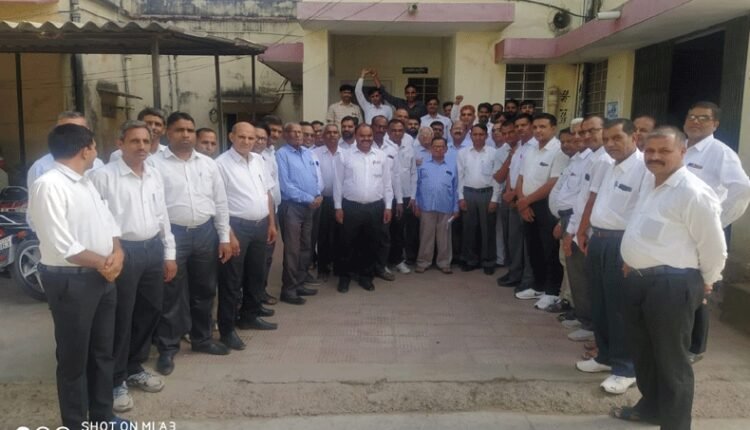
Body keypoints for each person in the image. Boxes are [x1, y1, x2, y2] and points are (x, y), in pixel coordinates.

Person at [614, 126, 727, 430]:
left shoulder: (693, 192)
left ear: (682, 152)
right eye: (650, 151)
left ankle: (676, 424)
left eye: (664, 151)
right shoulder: (651, 183)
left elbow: (714, 247)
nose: (655, 156)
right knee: (645, 354)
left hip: (672, 286)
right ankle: (652, 408)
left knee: (671, 360)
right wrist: (632, 260)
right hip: (639, 281)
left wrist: (707, 281)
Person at [29, 124, 127, 429]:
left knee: (102, 352)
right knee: (74, 358)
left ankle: (102, 416)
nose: (96, 152)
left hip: (102, 276)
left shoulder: (86, 183)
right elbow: (63, 244)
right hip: (71, 281)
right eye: (95, 147)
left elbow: (109, 224)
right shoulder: (49, 185)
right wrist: (105, 263)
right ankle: (74, 422)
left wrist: (118, 252)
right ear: (86, 150)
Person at [89, 120, 177, 413]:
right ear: (120, 144)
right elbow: (95, 219)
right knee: (121, 317)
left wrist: (169, 253)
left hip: (152, 248)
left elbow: (162, 215)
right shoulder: (103, 176)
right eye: (134, 141)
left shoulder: (153, 174)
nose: (141, 146)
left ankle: (134, 366)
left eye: (146, 141)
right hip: (122, 252)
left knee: (149, 311)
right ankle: (115, 380)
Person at [151, 112, 232, 376]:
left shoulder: (208, 165)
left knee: (205, 289)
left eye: (189, 130)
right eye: (179, 130)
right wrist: (166, 242)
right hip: (173, 233)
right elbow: (155, 206)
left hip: (205, 232)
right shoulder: (154, 164)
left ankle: (202, 339)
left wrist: (223, 237)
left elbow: (220, 202)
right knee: (171, 293)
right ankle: (168, 348)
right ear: (168, 133)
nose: (185, 135)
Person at [574, 119, 648, 395]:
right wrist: (586, 232)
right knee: (600, 303)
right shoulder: (610, 166)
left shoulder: (643, 169)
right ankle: (604, 356)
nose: (610, 144)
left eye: (617, 138)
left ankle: (626, 368)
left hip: (622, 243)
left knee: (620, 308)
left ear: (634, 137)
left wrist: (634, 251)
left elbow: (644, 213)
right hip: (599, 240)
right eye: (606, 139)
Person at [682, 101, 750, 363]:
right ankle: (681, 339)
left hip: (701, 233)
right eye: (692, 116)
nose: (695, 121)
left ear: (715, 124)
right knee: (683, 285)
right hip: (680, 230)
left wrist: (717, 220)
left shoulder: (720, 152)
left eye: (703, 118)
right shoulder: (681, 147)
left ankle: (695, 347)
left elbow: (742, 188)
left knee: (700, 287)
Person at [216, 122, 278, 349]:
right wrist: (228, 235)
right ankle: (227, 329)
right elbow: (219, 203)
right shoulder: (220, 164)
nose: (247, 141)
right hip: (237, 227)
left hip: (260, 225)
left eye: (251, 138)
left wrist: (271, 223)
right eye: (241, 137)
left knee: (256, 274)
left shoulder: (258, 160)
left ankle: (249, 316)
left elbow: (267, 193)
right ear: (231, 136)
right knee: (231, 280)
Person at [563, 115, 613, 343]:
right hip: (579, 225)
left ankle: (591, 324)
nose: (586, 136)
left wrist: (579, 231)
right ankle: (585, 318)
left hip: (590, 230)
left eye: (593, 131)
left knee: (589, 280)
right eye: (583, 132)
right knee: (579, 276)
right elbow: (582, 198)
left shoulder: (604, 160)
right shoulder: (592, 158)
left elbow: (592, 200)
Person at [514, 113, 569, 306]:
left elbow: (553, 182)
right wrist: (522, 202)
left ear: (553, 128)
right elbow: (521, 177)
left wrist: (526, 201)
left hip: (546, 205)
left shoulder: (559, 151)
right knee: (533, 247)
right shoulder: (530, 150)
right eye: (535, 127)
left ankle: (552, 291)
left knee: (549, 249)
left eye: (543, 127)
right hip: (527, 204)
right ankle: (538, 286)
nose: (538, 130)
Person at [333, 124, 393, 292]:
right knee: (346, 243)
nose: (366, 139)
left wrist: (388, 207)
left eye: (369, 136)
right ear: (356, 136)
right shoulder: (345, 156)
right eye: (362, 136)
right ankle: (344, 278)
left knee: (371, 243)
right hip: (351, 207)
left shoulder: (381, 156)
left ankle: (366, 277)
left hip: (375, 207)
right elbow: (338, 183)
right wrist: (338, 207)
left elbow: (387, 183)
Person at [276, 122, 323, 305]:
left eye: (300, 132)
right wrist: (309, 198)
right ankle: (288, 290)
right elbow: (285, 185)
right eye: (293, 132)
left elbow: (315, 177)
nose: (298, 135)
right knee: (293, 250)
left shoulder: (307, 153)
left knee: (306, 247)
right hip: (292, 207)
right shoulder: (281, 154)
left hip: (310, 206)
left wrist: (318, 194)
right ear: (285, 135)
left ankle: (300, 283)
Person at [496, 114, 536, 290]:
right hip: (513, 199)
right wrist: (508, 192)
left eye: (522, 126)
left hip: (525, 199)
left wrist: (515, 195)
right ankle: (515, 273)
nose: (519, 130)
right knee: (514, 241)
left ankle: (528, 279)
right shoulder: (519, 148)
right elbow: (511, 174)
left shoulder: (535, 147)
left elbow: (528, 177)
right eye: (517, 126)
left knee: (527, 244)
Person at [457, 124, 502, 275]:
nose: (478, 137)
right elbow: (460, 176)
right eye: (475, 134)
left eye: (481, 134)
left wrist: (494, 199)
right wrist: (461, 197)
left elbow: (497, 178)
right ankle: (470, 260)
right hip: (468, 193)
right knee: (469, 229)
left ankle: (488, 261)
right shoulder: (463, 153)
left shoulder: (493, 153)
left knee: (488, 229)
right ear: (470, 136)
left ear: (486, 136)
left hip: (487, 194)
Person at [414, 137, 459, 274]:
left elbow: (456, 188)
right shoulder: (422, 166)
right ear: (431, 148)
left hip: (446, 207)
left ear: (446, 149)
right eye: (435, 146)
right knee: (426, 236)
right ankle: (423, 262)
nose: (438, 149)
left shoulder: (452, 166)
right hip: (426, 206)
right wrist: (416, 204)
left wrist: (455, 207)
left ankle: (444, 263)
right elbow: (417, 186)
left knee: (444, 237)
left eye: (441, 147)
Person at [26, 111, 104, 188]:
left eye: (78, 130)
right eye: (65, 130)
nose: (72, 135)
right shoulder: (40, 168)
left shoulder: (98, 165)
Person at [254, 121, 281, 306]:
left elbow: (269, 191)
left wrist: (272, 221)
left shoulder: (267, 156)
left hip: (271, 213)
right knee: (255, 260)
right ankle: (250, 298)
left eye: (263, 138)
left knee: (267, 257)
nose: (259, 142)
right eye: (256, 138)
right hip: (249, 220)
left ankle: (259, 293)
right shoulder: (226, 163)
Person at [371, 115, 402, 281]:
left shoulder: (392, 148)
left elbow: (396, 176)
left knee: (384, 235)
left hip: (386, 200)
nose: (380, 130)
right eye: (378, 126)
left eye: (384, 127)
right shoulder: (363, 145)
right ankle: (366, 267)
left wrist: (399, 200)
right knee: (366, 235)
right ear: (372, 126)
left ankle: (381, 267)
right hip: (368, 199)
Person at [313, 124, 344, 281]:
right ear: (323, 136)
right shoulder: (315, 154)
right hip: (323, 200)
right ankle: (323, 268)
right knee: (323, 234)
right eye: (329, 133)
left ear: (339, 135)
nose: (332, 135)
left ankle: (338, 266)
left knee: (340, 234)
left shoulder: (346, 154)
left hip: (342, 201)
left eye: (335, 132)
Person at [386, 118, 418, 271]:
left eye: (400, 130)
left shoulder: (409, 148)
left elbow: (413, 173)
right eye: (394, 130)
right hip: (387, 196)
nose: (397, 133)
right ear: (388, 131)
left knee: (399, 230)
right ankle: (384, 262)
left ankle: (398, 260)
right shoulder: (383, 148)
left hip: (404, 195)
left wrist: (413, 196)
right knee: (385, 231)